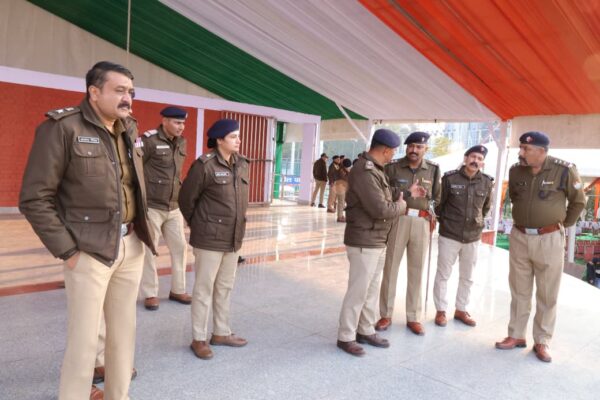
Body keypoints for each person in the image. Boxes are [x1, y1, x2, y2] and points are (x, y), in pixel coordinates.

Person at [19, 61, 155, 399]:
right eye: (119, 90)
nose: (128, 98)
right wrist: (68, 251)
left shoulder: (129, 128)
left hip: (131, 245)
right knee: (84, 342)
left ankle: (118, 395)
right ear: (94, 92)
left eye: (131, 91)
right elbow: (34, 198)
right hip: (88, 250)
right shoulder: (62, 128)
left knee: (123, 335)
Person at [495, 131, 585, 362]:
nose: (521, 152)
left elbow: (578, 202)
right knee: (519, 289)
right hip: (520, 236)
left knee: (547, 292)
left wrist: (560, 225)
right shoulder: (516, 171)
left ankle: (542, 340)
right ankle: (516, 335)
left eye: (526, 149)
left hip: (549, 238)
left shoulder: (564, 170)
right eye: (521, 147)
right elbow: (515, 197)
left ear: (542, 151)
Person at [337, 129, 425, 357]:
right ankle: (346, 336)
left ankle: (365, 329)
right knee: (358, 292)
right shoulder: (365, 171)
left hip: (376, 239)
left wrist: (406, 192)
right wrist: (403, 206)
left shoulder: (376, 170)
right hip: (364, 240)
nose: (394, 155)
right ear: (385, 150)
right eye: (393, 151)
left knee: (371, 290)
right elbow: (381, 209)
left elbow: (386, 193)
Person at [179, 119, 250, 360]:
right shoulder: (205, 165)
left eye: (238, 136)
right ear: (219, 140)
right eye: (233, 136)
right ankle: (198, 338)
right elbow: (186, 199)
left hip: (233, 237)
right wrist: (199, 224)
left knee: (225, 287)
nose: (238, 140)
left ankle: (221, 332)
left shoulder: (242, 164)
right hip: (209, 239)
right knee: (203, 289)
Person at [376, 131, 441, 335]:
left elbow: (437, 197)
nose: (414, 150)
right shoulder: (393, 167)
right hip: (398, 219)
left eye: (419, 147)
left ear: (425, 149)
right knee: (390, 268)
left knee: (416, 270)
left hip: (421, 221)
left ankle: (413, 317)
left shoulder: (433, 169)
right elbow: (384, 193)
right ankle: (386, 314)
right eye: (411, 146)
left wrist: (431, 215)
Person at [433, 145, 494, 328]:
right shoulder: (449, 178)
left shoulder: (487, 182)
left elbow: (485, 208)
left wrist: (476, 222)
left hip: (473, 236)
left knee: (468, 276)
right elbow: (439, 205)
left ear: (482, 163)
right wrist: (446, 222)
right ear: (466, 158)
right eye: (473, 157)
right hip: (450, 234)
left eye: (480, 159)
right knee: (443, 274)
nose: (476, 161)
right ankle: (441, 310)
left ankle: (461, 309)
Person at [140, 106, 192, 311]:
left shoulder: (182, 142)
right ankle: (150, 293)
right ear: (165, 121)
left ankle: (178, 289)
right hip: (152, 206)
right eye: (177, 122)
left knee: (180, 247)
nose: (181, 127)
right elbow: (136, 169)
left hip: (174, 206)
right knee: (149, 250)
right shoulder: (148, 140)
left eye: (183, 123)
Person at [334, 158, 352, 222]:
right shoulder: (342, 170)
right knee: (341, 202)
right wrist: (348, 172)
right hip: (341, 187)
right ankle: (339, 217)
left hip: (341, 187)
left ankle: (341, 215)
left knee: (342, 202)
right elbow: (344, 179)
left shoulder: (342, 169)